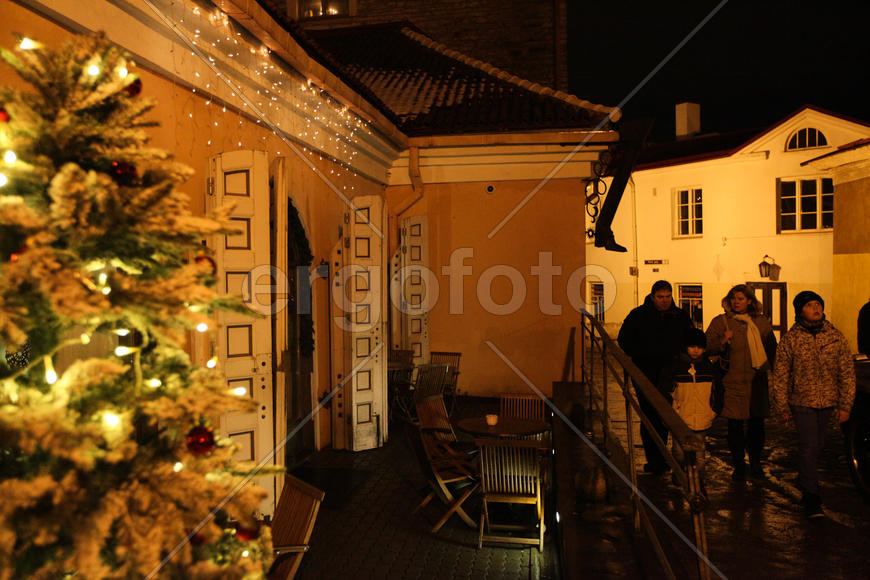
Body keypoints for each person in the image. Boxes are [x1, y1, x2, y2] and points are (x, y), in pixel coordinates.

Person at [772, 291, 856, 518]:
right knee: (809, 447)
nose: (816, 308)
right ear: (800, 311)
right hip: (802, 402)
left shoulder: (835, 337)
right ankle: (811, 496)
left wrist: (845, 405)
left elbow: (847, 372)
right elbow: (781, 375)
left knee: (818, 446)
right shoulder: (791, 339)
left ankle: (805, 478)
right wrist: (782, 406)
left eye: (818, 304)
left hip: (828, 401)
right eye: (810, 305)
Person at [618, 280, 695, 474]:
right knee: (650, 415)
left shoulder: (680, 316)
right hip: (646, 372)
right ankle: (655, 460)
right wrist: (642, 355)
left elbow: (690, 338)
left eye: (668, 296)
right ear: (652, 297)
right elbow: (624, 339)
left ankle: (666, 457)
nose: (664, 300)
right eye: (660, 297)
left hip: (673, 372)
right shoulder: (638, 315)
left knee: (668, 414)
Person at [705, 284, 777, 481]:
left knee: (757, 426)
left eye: (740, 299)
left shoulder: (761, 322)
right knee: (734, 426)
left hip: (756, 382)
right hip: (732, 381)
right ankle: (738, 465)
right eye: (733, 299)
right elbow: (706, 347)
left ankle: (755, 463)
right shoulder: (721, 322)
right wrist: (722, 340)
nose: (736, 302)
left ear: (750, 301)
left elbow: (772, 350)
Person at [658, 328, 722, 485]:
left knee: (699, 455)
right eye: (692, 346)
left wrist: (713, 411)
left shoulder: (709, 369)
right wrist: (671, 411)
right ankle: (680, 473)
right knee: (679, 452)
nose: (695, 350)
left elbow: (719, 391)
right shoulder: (675, 368)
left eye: (699, 347)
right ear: (685, 347)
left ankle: (698, 484)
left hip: (702, 417)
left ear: (704, 349)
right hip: (680, 417)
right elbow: (664, 390)